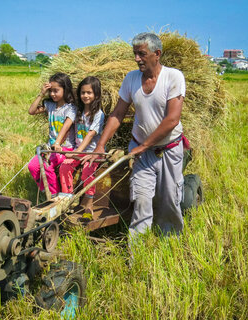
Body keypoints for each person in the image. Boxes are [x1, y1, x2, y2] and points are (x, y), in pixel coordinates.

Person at [84, 32, 187, 237]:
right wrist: (101, 145)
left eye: (141, 54)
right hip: (141, 152)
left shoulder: (173, 77)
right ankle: (137, 251)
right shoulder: (131, 79)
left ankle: (169, 242)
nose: (136, 59)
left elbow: (172, 120)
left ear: (157, 54)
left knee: (169, 201)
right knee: (141, 200)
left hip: (168, 150)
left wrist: (145, 145)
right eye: (135, 54)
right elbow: (118, 114)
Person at [59, 76, 105, 220]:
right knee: (64, 167)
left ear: (96, 95)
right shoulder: (78, 112)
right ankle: (68, 201)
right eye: (83, 93)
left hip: (93, 152)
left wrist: (77, 152)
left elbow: (90, 135)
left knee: (87, 171)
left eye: (89, 93)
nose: (85, 96)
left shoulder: (98, 114)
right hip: (78, 150)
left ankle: (89, 206)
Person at [28, 72, 77, 196]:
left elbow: (66, 127)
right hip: (52, 149)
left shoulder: (71, 108)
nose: (53, 94)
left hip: (64, 148)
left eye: (56, 91)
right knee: (32, 166)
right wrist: (41, 93)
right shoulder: (49, 105)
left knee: (47, 166)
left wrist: (57, 143)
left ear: (65, 90)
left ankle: (54, 197)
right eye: (51, 91)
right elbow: (31, 111)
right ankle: (46, 191)